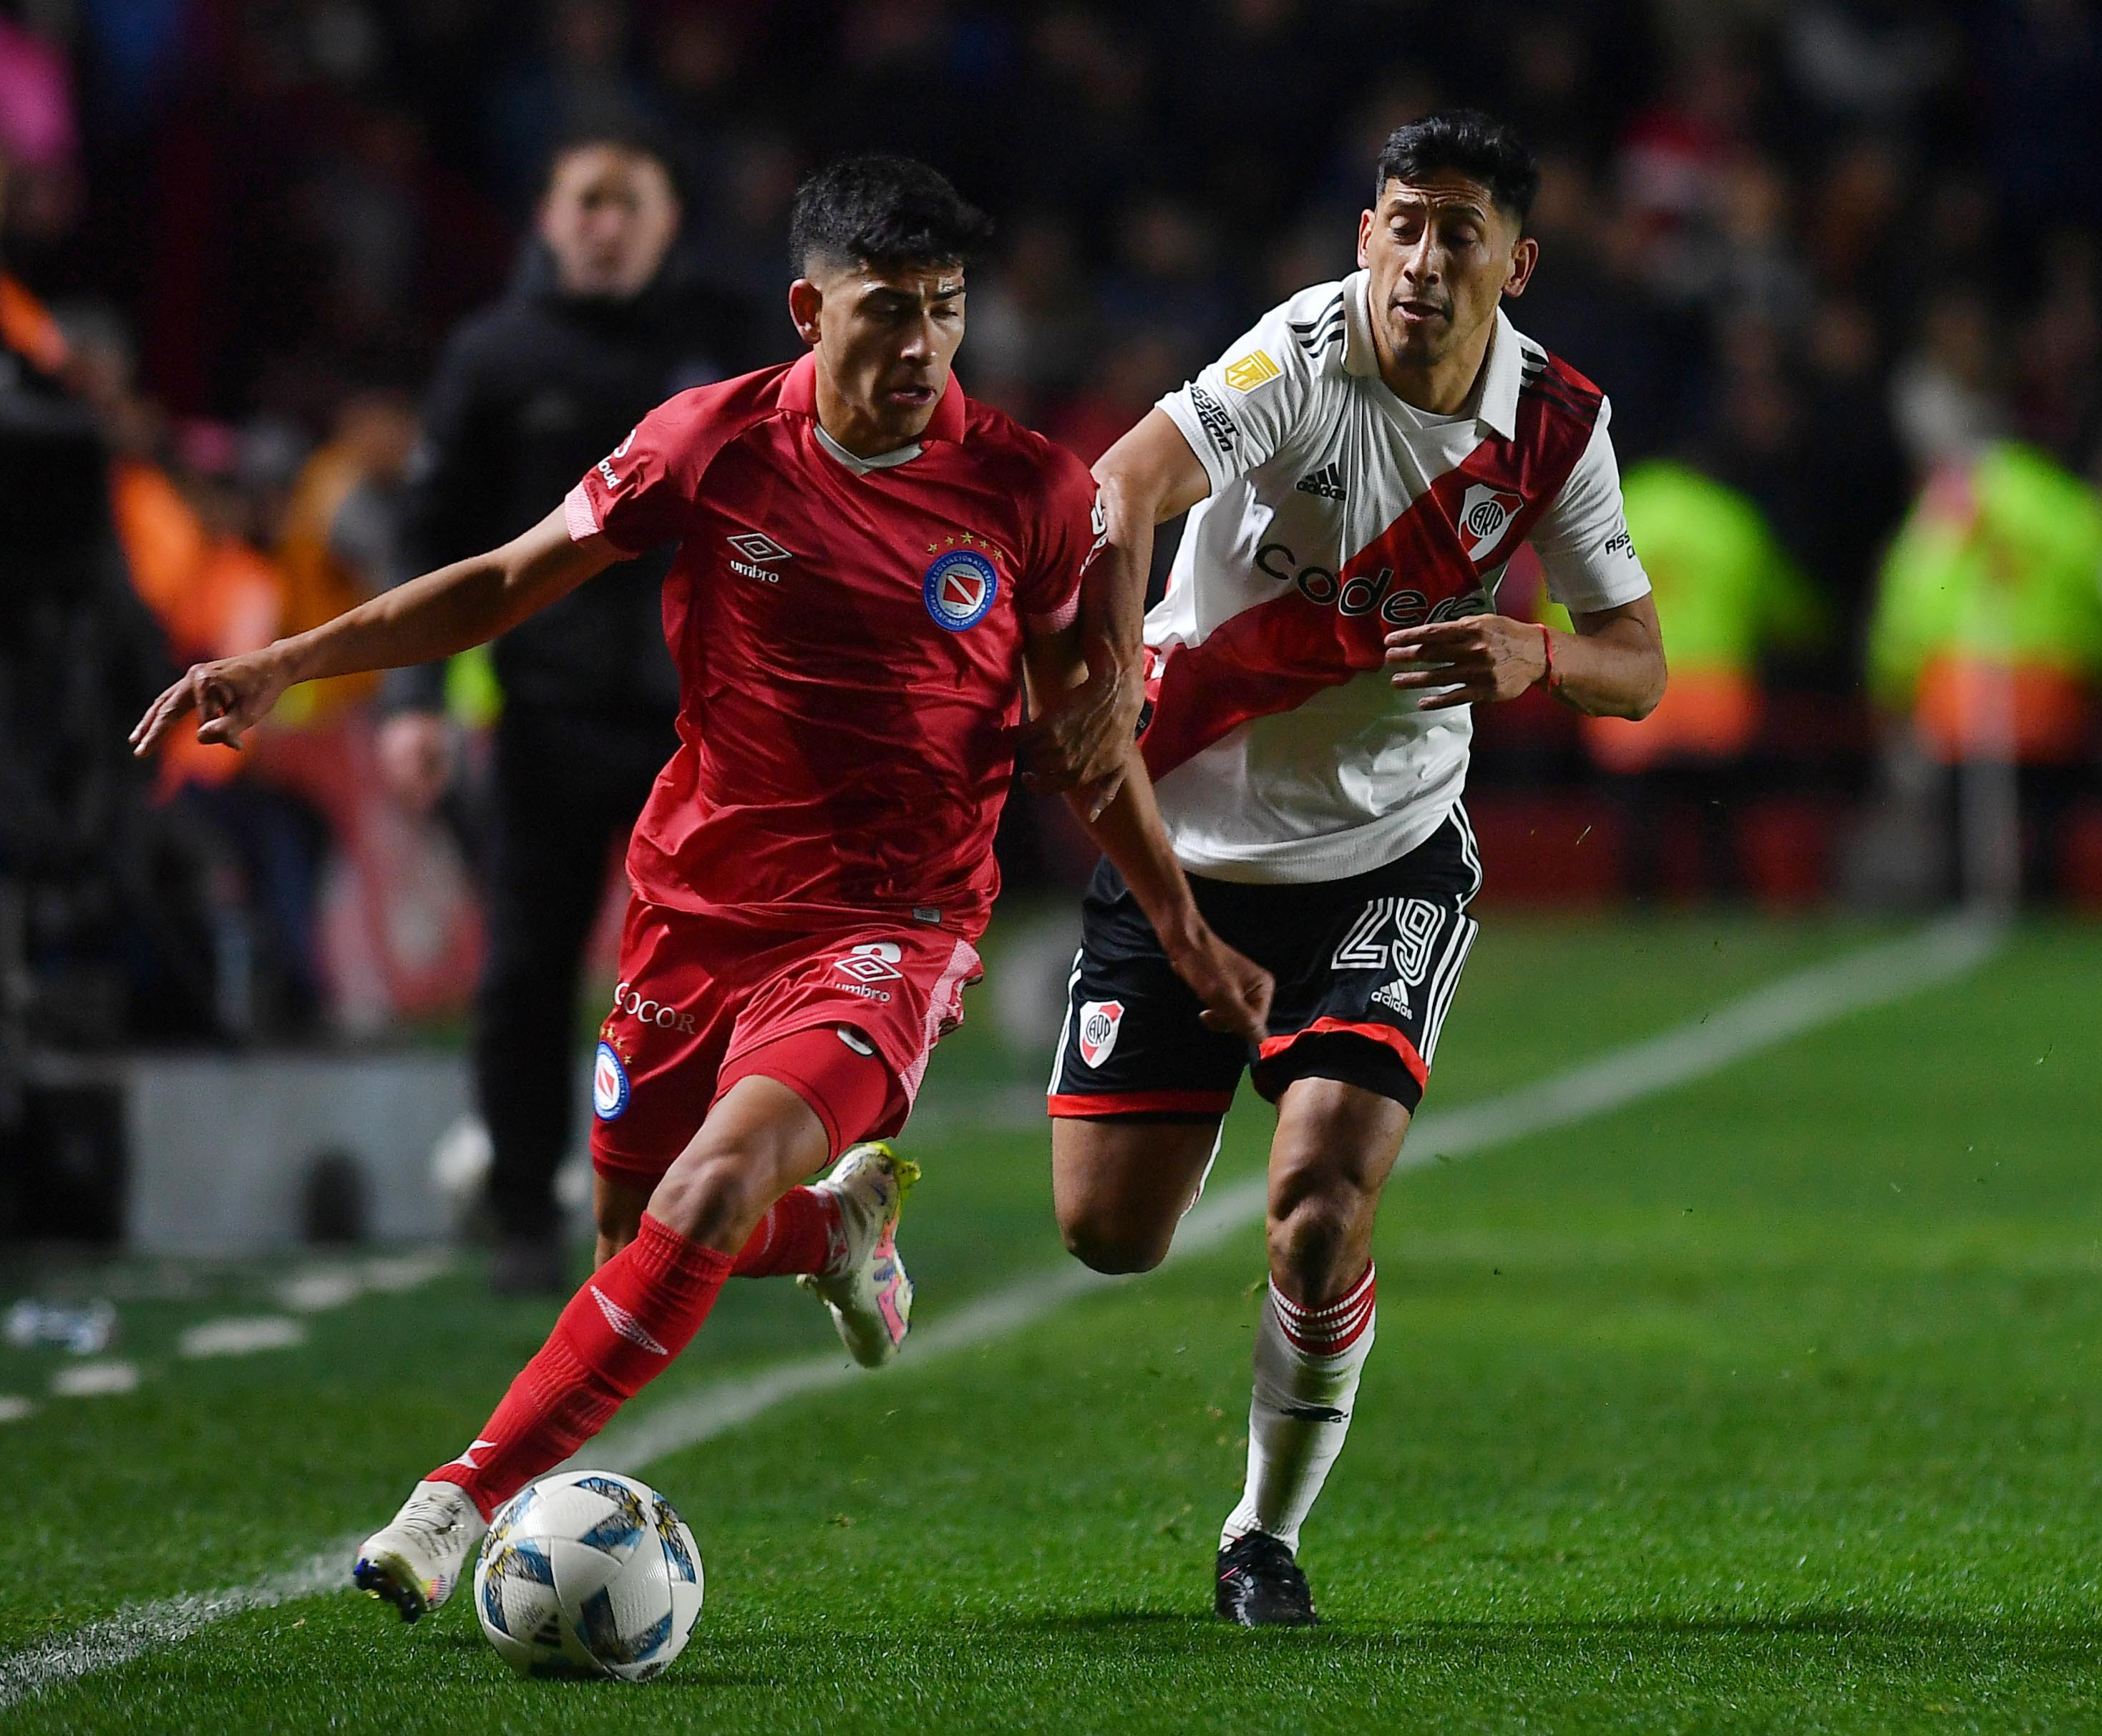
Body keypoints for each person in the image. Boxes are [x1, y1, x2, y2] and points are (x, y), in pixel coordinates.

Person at [130, 155, 1271, 1623]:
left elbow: (1091, 743)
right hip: (696, 906)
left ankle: (454, 1498)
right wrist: (287, 664)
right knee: (639, 1240)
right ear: (808, 311)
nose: (922, 343)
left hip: (890, 924)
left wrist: (1179, 925)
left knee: (709, 1187)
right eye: (887, 309)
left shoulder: (1025, 489)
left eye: (944, 308)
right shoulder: (712, 442)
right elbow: (506, 579)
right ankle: (838, 1234)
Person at [1050, 111, 1668, 1625]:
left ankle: (1261, 1532)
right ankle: (1195, 1098)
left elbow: (1640, 665)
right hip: (1189, 841)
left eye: (1458, 230)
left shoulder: (1554, 427)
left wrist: (1534, 653)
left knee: (1322, 1202)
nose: (1421, 257)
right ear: (1363, 238)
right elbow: (1122, 486)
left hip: (1384, 857)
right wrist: (1115, 672)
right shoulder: (1299, 355)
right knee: (1107, 1233)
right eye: (1401, 221)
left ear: (1514, 263)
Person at [380, 123, 759, 1292]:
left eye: (625, 201)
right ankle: (522, 1214)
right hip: (547, 717)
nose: (604, 225)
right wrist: (414, 699)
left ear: (667, 221)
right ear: (547, 220)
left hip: (703, 721)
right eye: (585, 202)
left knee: (723, 969)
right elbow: (434, 536)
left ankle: (712, 1203)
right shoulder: (492, 357)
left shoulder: (726, 342)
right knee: (525, 973)